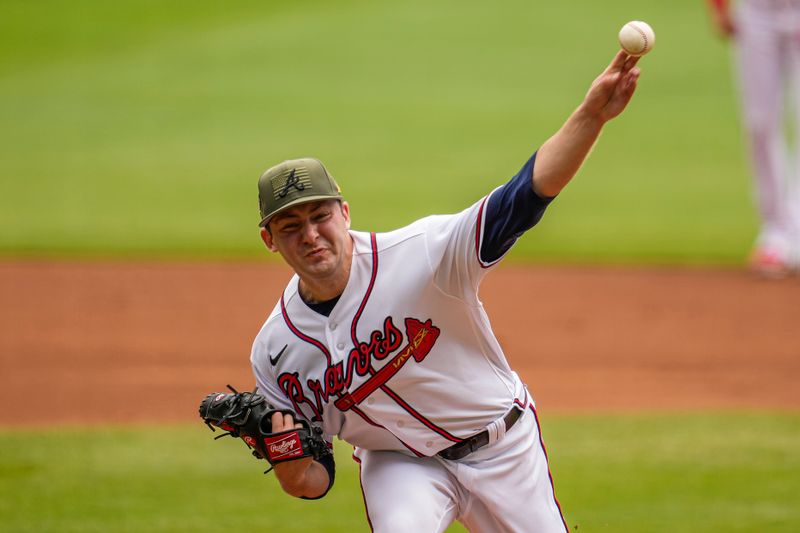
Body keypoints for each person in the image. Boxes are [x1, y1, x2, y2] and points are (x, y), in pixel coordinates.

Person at [249, 51, 641, 532]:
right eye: (291, 227)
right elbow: (311, 481)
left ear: (345, 214)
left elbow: (523, 197)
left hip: (502, 447)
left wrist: (590, 116)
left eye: (319, 217)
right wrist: (286, 456)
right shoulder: (274, 351)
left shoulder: (423, 254)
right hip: (400, 464)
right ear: (270, 240)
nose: (310, 235)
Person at [708, 0, 800, 276]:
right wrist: (718, 6)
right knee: (760, 122)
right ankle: (775, 234)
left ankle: (795, 228)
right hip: (757, 11)